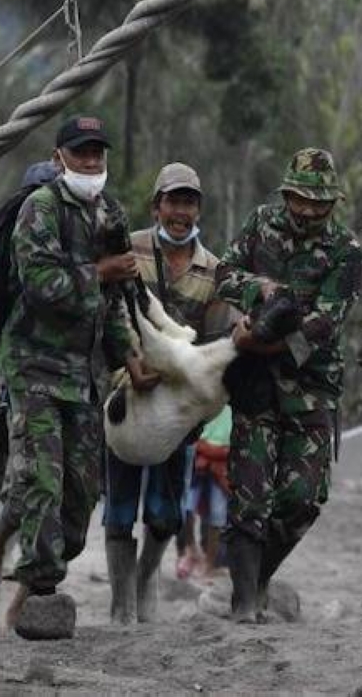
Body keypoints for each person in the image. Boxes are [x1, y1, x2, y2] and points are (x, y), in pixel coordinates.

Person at [0, 115, 156, 634]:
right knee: (43, 482)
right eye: (82, 153)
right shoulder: (41, 210)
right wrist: (102, 272)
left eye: (99, 153)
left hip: (83, 373)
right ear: (60, 159)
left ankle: (20, 557)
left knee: (82, 494)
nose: (92, 162)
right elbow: (41, 286)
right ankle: (38, 594)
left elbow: (115, 302)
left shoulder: (111, 213)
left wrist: (128, 355)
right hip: (32, 366)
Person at [216, 148, 362, 623]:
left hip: (311, 383)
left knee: (303, 500)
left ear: (332, 204)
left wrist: (265, 343)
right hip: (255, 384)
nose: (307, 211)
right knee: (249, 494)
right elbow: (224, 274)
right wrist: (258, 290)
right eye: (299, 200)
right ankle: (242, 603)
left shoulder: (347, 250)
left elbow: (326, 322)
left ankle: (259, 579)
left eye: (318, 204)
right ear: (286, 195)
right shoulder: (260, 224)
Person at [103, 162, 236, 625]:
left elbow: (217, 338)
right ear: (156, 205)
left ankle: (145, 580)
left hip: (178, 410)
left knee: (164, 512)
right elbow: (107, 311)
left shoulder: (214, 270)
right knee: (120, 507)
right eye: (172, 201)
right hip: (126, 395)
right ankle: (121, 604)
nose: (180, 212)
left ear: (198, 208)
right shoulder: (130, 250)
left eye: (189, 202)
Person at [0, 160, 59, 566]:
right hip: (8, 361)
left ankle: (6, 547)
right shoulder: (4, 242)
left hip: (34, 366)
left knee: (22, 467)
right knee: (1, 459)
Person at [175, 404, 232, 581]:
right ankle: (190, 552)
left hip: (221, 459)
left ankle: (209, 563)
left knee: (217, 515)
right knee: (186, 508)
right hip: (198, 455)